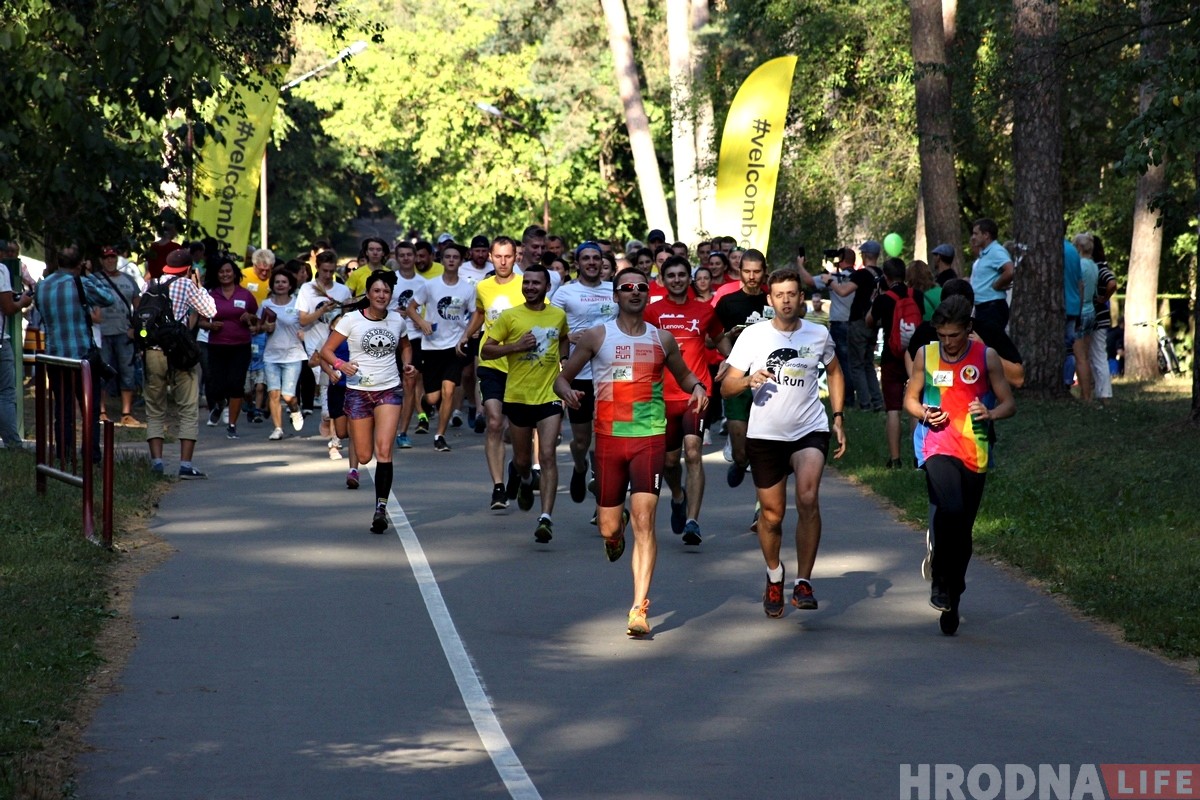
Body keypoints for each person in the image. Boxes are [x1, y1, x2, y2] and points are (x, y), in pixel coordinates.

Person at [555, 266, 708, 637]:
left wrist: (698, 388)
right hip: (608, 438)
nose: (635, 292)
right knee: (610, 526)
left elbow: (685, 375)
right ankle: (614, 532)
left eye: (641, 287)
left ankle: (639, 607)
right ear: (616, 295)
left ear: (647, 294)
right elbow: (562, 376)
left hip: (649, 437)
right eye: (627, 287)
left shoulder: (663, 339)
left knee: (645, 520)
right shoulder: (597, 336)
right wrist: (569, 392)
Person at [721, 268, 846, 617]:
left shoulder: (818, 334)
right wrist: (747, 380)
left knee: (808, 498)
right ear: (770, 299)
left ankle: (803, 582)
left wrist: (838, 417)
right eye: (780, 295)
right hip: (765, 435)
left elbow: (835, 372)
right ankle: (775, 575)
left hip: (809, 429)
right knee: (772, 516)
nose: (787, 300)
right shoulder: (753, 337)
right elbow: (725, 387)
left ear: (800, 297)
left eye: (792, 294)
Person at [903, 295, 1015, 635]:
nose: (948, 342)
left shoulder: (987, 357)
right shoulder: (927, 354)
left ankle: (954, 593)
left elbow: (1009, 402)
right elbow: (910, 398)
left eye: (954, 335)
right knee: (949, 509)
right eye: (942, 335)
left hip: (974, 449)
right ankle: (940, 579)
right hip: (935, 444)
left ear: (968, 328)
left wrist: (991, 412)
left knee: (963, 530)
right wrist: (923, 413)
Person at [320, 270, 414, 533]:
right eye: (377, 291)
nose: (382, 296)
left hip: (388, 390)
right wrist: (341, 364)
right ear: (369, 294)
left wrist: (407, 364)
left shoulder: (397, 320)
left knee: (384, 451)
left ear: (390, 295)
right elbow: (325, 351)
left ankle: (381, 509)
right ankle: (364, 462)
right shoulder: (351, 320)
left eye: (386, 291)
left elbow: (405, 346)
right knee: (363, 455)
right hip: (358, 391)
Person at [481, 264, 569, 542]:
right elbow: (487, 349)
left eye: (536, 283)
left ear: (546, 287)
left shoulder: (558, 315)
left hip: (548, 396)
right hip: (518, 396)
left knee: (547, 456)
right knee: (521, 460)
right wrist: (515, 347)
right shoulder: (510, 317)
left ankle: (546, 517)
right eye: (527, 283)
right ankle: (525, 480)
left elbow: (564, 339)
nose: (530, 287)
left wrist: (564, 363)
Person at [644, 256, 724, 545]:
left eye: (682, 275)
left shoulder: (704, 311)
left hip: (696, 393)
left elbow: (723, 344)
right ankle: (678, 495)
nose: (677, 279)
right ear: (663, 280)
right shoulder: (651, 312)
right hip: (661, 396)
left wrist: (740, 356)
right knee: (668, 463)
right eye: (671, 275)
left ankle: (692, 521)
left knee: (693, 452)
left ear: (689, 278)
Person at [550, 242, 617, 503]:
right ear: (576, 263)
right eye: (586, 258)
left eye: (596, 258)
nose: (591, 262)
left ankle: (603, 492)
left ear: (602, 262)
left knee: (604, 439)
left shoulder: (613, 290)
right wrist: (568, 337)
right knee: (580, 441)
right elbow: (551, 328)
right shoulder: (565, 293)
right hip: (579, 374)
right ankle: (580, 468)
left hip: (610, 373)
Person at [35, 249, 116, 463]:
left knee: (62, 410)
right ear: (80, 263)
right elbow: (108, 298)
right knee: (89, 409)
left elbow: (40, 310)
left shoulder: (42, 285)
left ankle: (64, 456)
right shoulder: (80, 283)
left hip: (55, 356)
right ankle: (91, 457)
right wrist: (87, 274)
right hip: (82, 357)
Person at [143, 249, 217, 478]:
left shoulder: (151, 285)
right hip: (179, 352)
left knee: (155, 408)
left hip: (153, 351)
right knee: (187, 407)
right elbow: (210, 311)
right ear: (188, 268)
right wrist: (199, 284)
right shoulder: (187, 285)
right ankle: (185, 465)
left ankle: (157, 462)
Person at [408, 243, 475, 451]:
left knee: (448, 391)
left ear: (461, 261)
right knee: (434, 396)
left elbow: (475, 314)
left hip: (454, 347)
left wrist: (467, 335)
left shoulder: (468, 288)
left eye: (456, 257)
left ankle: (440, 435)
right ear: (442, 260)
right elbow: (411, 307)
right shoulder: (430, 285)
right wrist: (421, 322)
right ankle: (425, 403)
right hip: (431, 346)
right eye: (448, 257)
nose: (452, 260)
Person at [714, 248, 772, 488]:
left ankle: (763, 509)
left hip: (769, 376)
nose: (751, 276)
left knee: (765, 447)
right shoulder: (728, 302)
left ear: (764, 273)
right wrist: (729, 349)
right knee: (741, 451)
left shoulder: (773, 300)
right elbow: (713, 337)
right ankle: (739, 462)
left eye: (756, 272)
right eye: (746, 271)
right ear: (739, 272)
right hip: (738, 375)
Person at [296, 250, 352, 453]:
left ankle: (336, 440)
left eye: (331, 270)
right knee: (325, 383)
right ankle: (327, 417)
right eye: (324, 270)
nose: (328, 275)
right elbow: (302, 320)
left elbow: (349, 319)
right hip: (315, 344)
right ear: (317, 268)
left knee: (334, 382)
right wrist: (322, 311)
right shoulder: (307, 290)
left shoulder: (343, 291)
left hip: (336, 345)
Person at [866, 258, 918, 468]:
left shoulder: (883, 299)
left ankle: (895, 459)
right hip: (916, 355)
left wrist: (875, 299)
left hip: (892, 357)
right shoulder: (918, 295)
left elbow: (869, 322)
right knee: (915, 406)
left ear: (886, 278)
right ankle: (918, 458)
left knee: (893, 409)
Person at [201, 254, 259, 439]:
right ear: (217, 275)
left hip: (240, 345)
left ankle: (232, 425)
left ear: (235, 274)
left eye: (228, 271)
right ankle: (219, 404)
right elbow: (201, 321)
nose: (225, 274)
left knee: (236, 385)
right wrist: (210, 325)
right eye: (221, 272)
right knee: (216, 385)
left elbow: (255, 318)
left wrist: (249, 318)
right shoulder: (211, 295)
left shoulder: (245, 295)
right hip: (217, 345)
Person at [795, 246, 856, 407]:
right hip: (856, 323)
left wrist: (800, 265)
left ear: (840, 259)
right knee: (858, 363)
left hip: (839, 324)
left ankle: (848, 399)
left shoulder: (832, 278)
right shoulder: (859, 277)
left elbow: (808, 281)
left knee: (842, 363)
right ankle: (864, 398)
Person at [94, 247, 143, 427]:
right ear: (101, 260)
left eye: (112, 257)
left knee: (127, 372)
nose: (110, 260)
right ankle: (101, 411)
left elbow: (139, 307)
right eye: (106, 257)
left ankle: (126, 413)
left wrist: (135, 328)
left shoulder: (129, 280)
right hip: (102, 333)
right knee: (102, 373)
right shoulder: (95, 280)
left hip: (124, 332)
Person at [258, 268, 307, 441]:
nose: (280, 285)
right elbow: (258, 327)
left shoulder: (298, 304)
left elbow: (305, 324)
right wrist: (265, 327)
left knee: (288, 395)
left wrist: (304, 334)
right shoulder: (265, 304)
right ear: (272, 284)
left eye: (284, 282)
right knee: (273, 393)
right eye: (277, 282)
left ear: (290, 285)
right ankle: (278, 428)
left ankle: (295, 409)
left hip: (293, 355)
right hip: (271, 355)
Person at [0, 256, 35, 447]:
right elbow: (7, 306)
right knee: (5, 393)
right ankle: (13, 443)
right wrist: (21, 302)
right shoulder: (1, 270)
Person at [846, 240, 884, 412]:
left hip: (859, 321)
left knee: (857, 364)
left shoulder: (861, 275)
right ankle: (877, 400)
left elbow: (843, 291)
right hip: (874, 322)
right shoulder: (883, 275)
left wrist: (829, 281)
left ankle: (864, 403)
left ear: (864, 255)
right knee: (868, 362)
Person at [967, 219, 1014, 331]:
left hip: (992, 308)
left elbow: (1010, 270)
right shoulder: (986, 253)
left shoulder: (996, 251)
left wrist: (997, 285)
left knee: (990, 343)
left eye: (976, 233)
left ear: (986, 235)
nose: (973, 237)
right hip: (984, 307)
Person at [1090, 234, 1118, 403]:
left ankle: (1105, 394)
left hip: (1098, 318)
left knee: (1099, 355)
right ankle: (1099, 391)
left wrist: (1103, 298)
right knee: (1095, 356)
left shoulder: (1100, 268)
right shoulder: (1098, 266)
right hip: (1098, 317)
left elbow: (1112, 283)